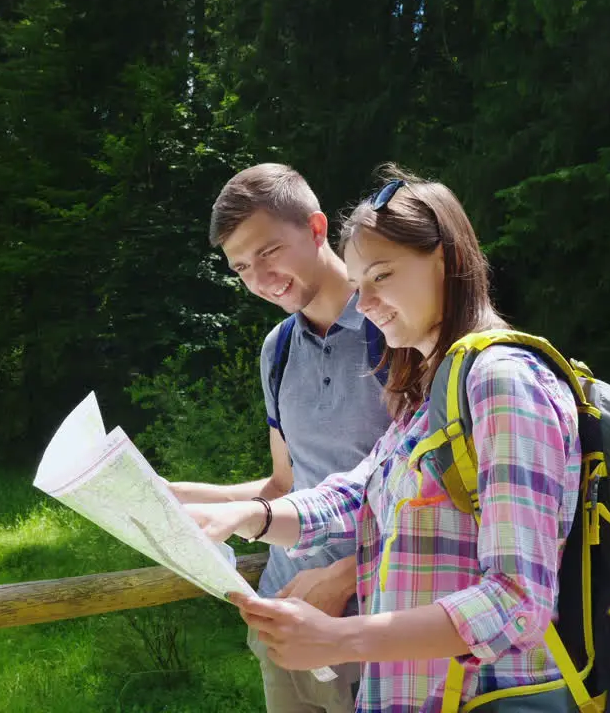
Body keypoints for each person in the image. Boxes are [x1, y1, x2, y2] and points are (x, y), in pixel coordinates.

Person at [184, 165, 583, 713]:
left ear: (444, 258)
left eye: (382, 276)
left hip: (481, 697)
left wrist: (340, 638)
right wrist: (246, 517)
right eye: (359, 280)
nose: (364, 302)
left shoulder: (501, 382)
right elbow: (356, 492)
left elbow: (518, 602)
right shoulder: (435, 387)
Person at [164, 163, 393, 713]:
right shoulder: (278, 349)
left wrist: (345, 576)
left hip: (381, 623)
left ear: (316, 229)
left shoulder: (398, 327)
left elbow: (449, 497)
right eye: (242, 267)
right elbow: (284, 482)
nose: (260, 279)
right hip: (281, 613)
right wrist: (165, 494)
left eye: (268, 252)